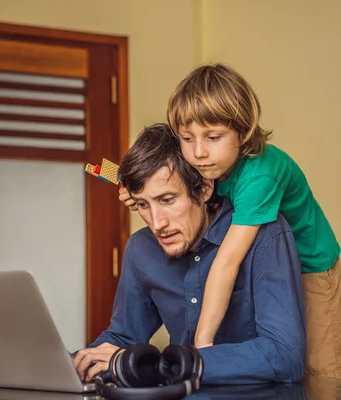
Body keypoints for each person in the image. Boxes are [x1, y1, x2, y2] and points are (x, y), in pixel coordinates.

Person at [119, 64, 341, 378]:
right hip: (264, 258)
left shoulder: (260, 176)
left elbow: (226, 263)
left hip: (312, 264)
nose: (198, 152)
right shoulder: (209, 165)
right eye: (187, 138)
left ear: (243, 131)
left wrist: (201, 349)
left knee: (321, 368)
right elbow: (163, 179)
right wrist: (139, 193)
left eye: (213, 137)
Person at [74, 123, 306, 385]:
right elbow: (123, 338)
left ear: (204, 189)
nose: (157, 223)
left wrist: (166, 366)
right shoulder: (141, 249)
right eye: (143, 204)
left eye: (167, 200)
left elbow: (285, 357)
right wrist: (75, 362)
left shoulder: (265, 235)